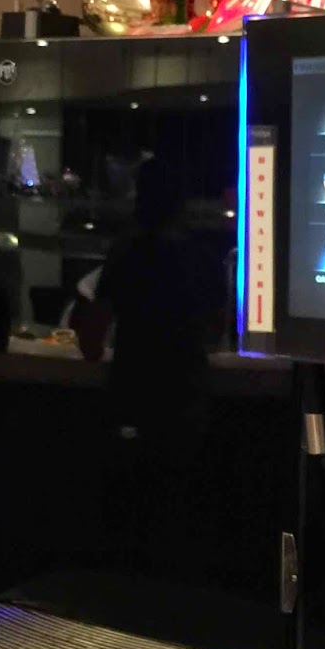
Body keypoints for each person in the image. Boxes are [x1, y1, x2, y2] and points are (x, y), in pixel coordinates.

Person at [73, 156, 227, 574]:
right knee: (178, 514)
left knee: (130, 517)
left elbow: (91, 340)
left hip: (132, 398)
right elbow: (217, 329)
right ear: (182, 202)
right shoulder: (203, 255)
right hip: (187, 402)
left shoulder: (126, 251)